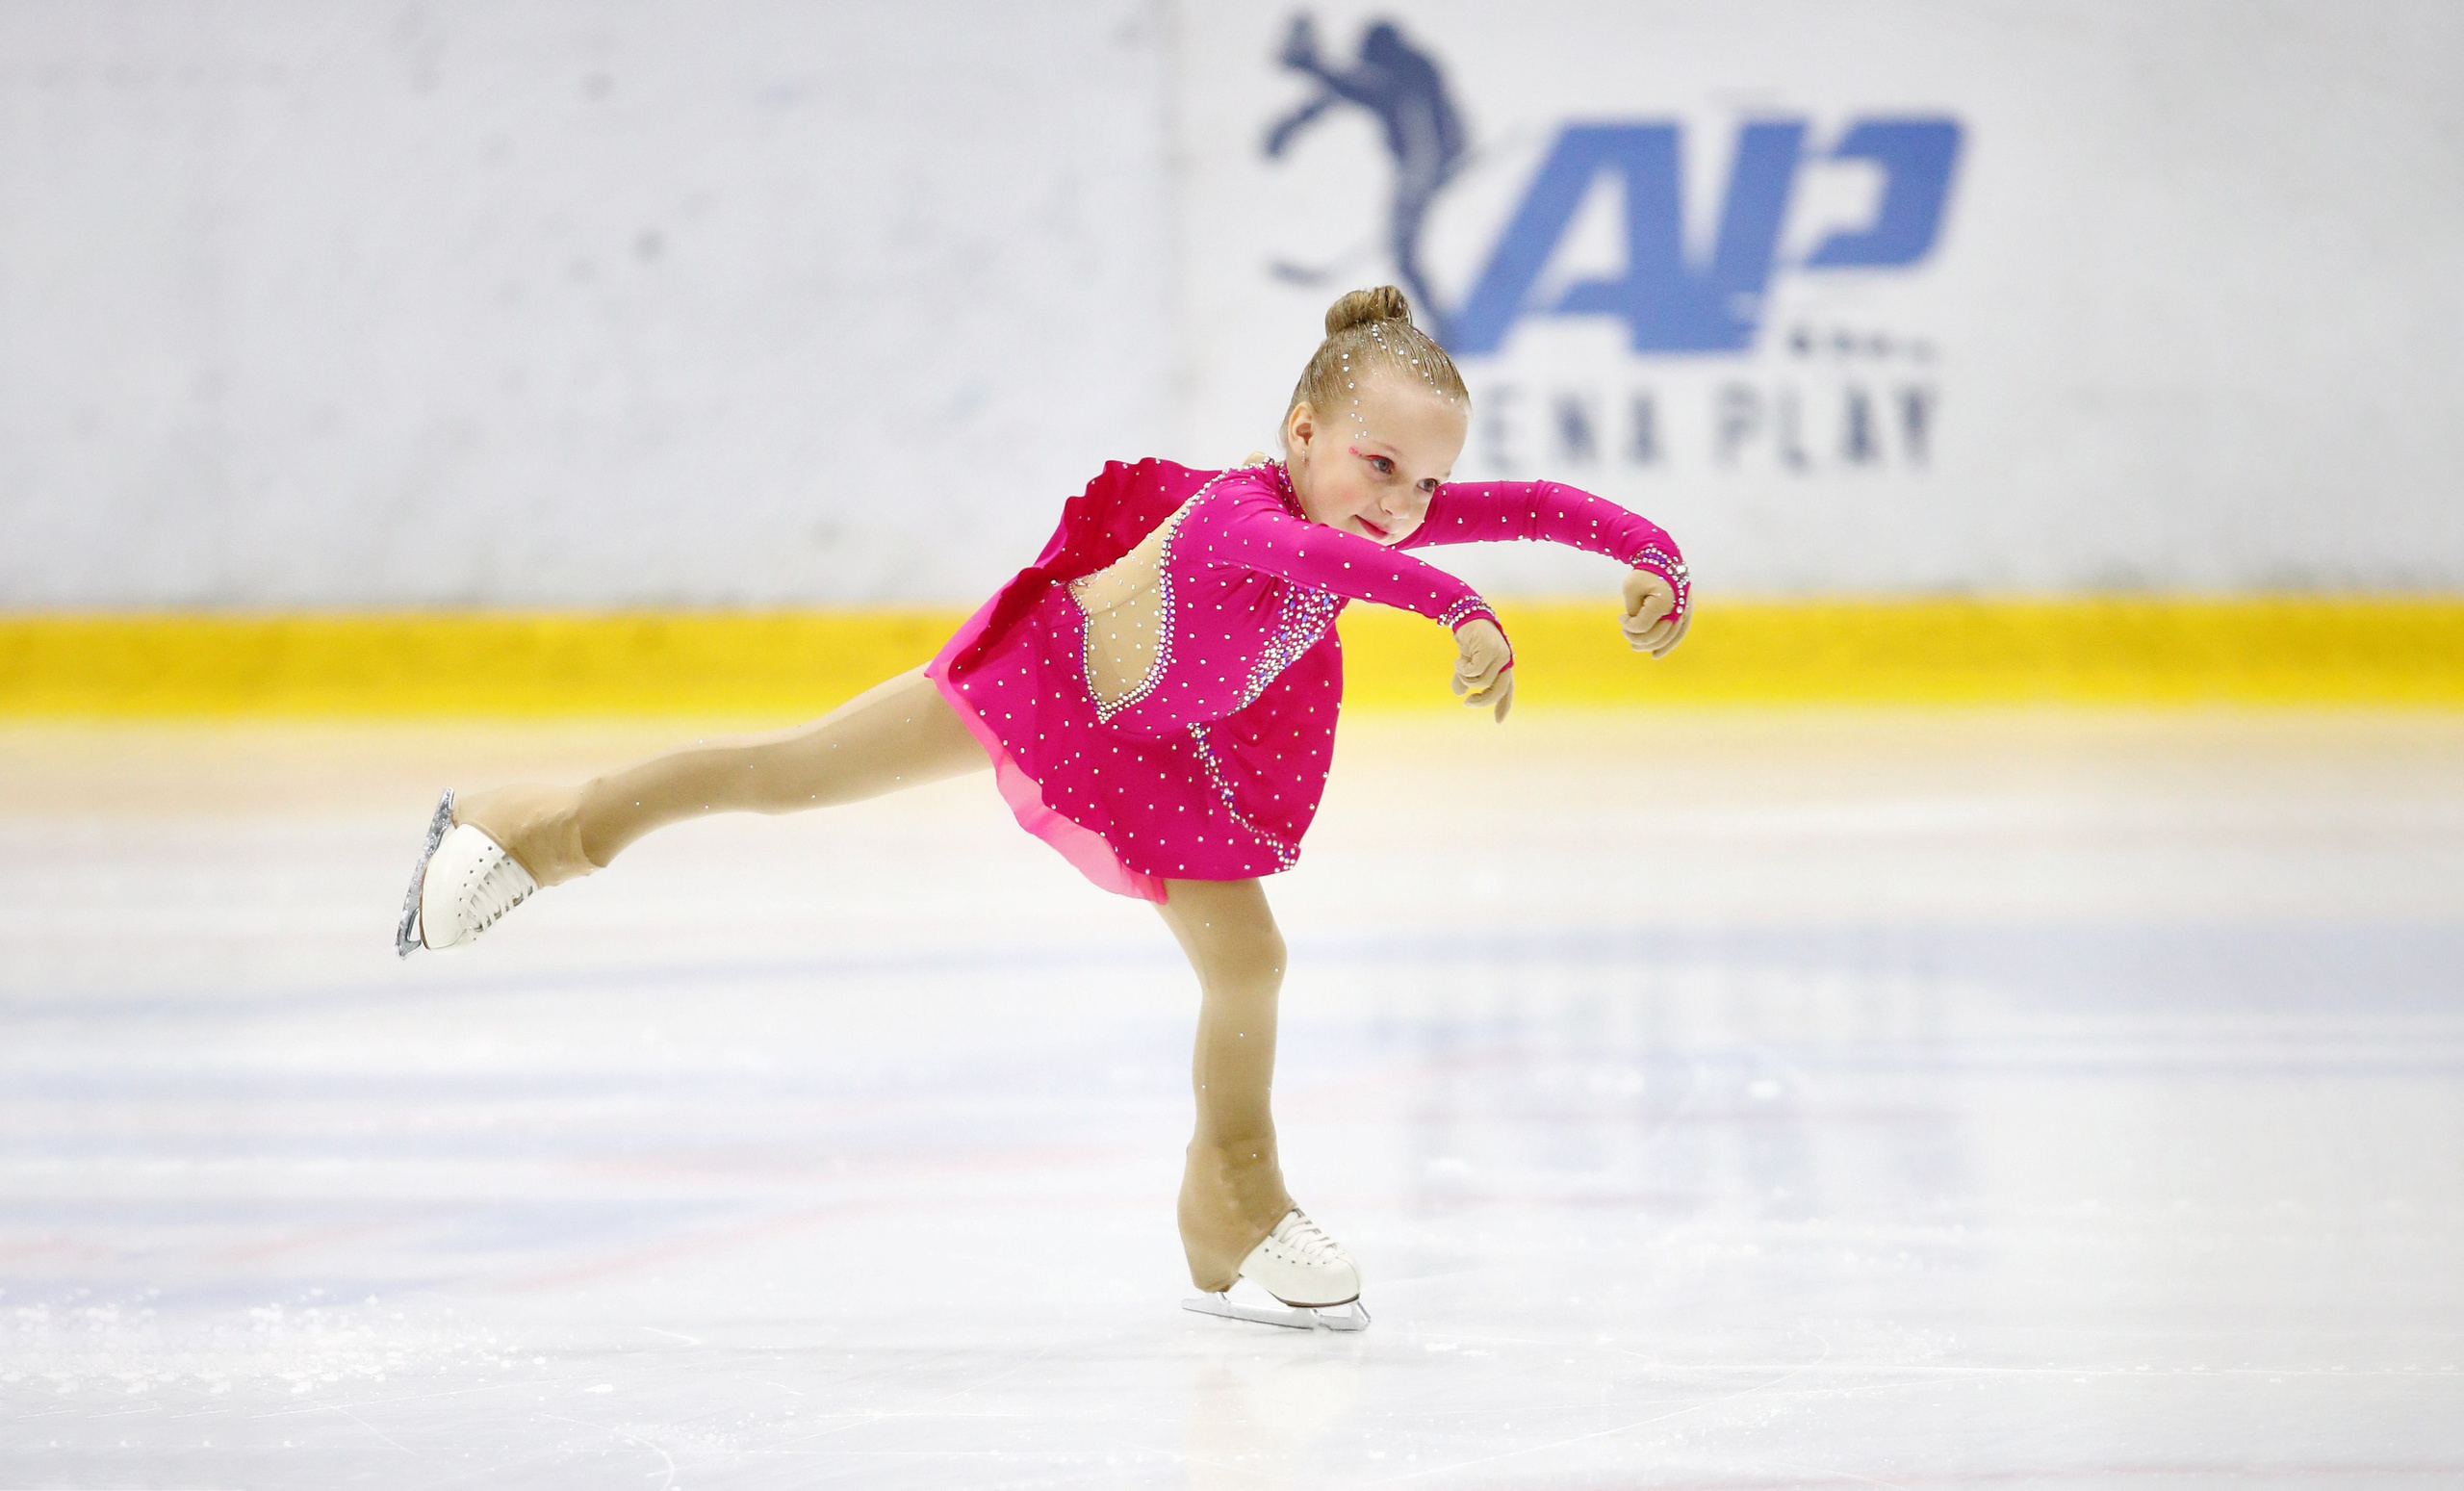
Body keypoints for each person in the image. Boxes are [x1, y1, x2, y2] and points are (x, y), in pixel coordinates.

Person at [396, 286, 1691, 1331]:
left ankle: (1232, 1197)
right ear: (1302, 429)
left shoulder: (1378, 511)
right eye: (1381, 465)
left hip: (1155, 752)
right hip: (1043, 685)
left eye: (1424, 483)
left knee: (1250, 956)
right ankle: (537, 829)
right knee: (787, 774)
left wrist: (1652, 555)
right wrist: (1454, 606)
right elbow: (1322, 559)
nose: (1406, 506)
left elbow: (1536, 507)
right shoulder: (1247, 514)